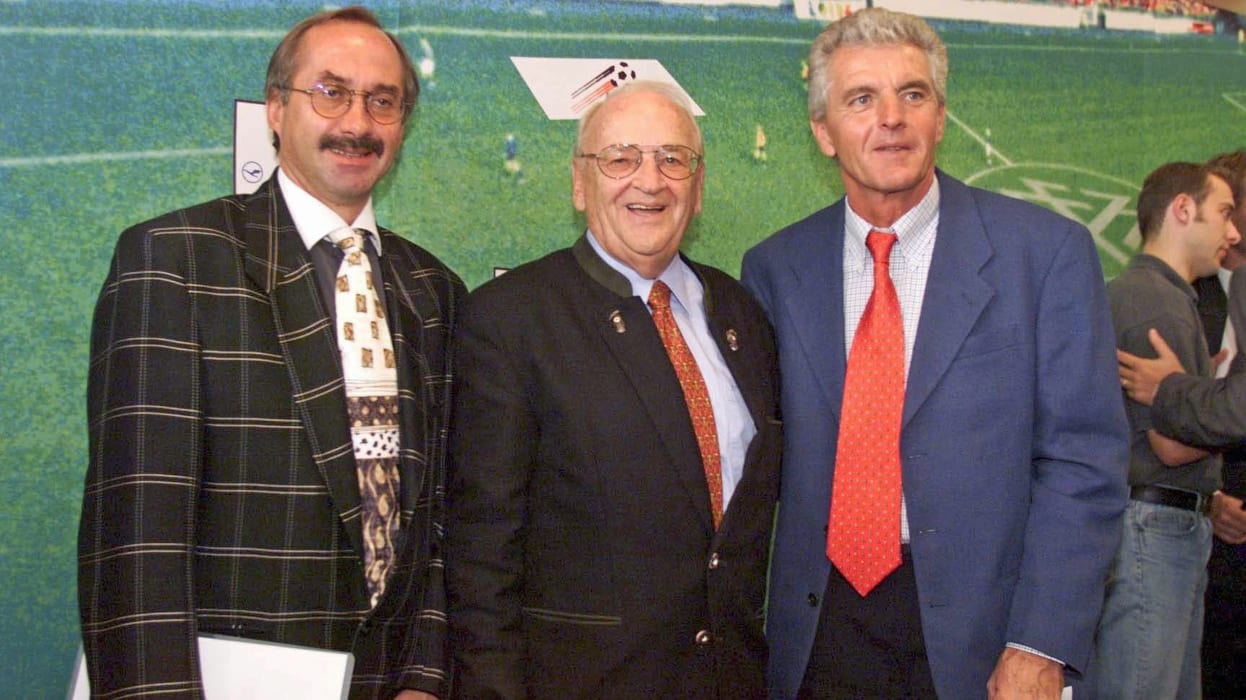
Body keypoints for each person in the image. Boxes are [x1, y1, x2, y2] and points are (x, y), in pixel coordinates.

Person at [740, 8, 1129, 699]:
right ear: (823, 133)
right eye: (862, 99)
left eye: (912, 94)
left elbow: (1083, 462)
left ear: (940, 118)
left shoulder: (1044, 256)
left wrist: (1039, 643)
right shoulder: (776, 267)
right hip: (822, 628)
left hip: (984, 638)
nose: (891, 117)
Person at [77, 7, 463, 699]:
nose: (357, 122)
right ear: (276, 111)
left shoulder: (433, 289)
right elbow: (134, 542)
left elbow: (435, 517)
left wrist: (425, 679)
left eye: (383, 101)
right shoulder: (176, 261)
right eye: (330, 92)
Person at [445, 80, 781, 699]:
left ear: (698, 187)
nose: (649, 181)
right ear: (580, 183)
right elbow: (481, 555)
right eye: (621, 158)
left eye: (672, 159)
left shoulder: (741, 315)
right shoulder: (512, 320)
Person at [1091, 161, 1240, 699]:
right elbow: (1171, 443)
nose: (1234, 232)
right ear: (1183, 210)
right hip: (1155, 532)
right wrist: (1218, 406)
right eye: (1224, 213)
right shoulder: (1162, 305)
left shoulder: (1147, 294)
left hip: (1153, 527)